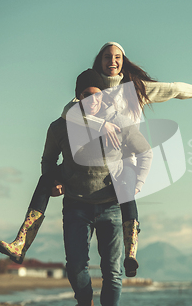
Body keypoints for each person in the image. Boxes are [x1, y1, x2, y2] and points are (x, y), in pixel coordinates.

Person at [0, 42, 192, 277]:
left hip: (121, 162)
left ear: (123, 60)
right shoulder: (90, 89)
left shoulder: (135, 89)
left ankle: (131, 254)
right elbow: (69, 113)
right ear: (100, 60)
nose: (112, 61)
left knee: (124, 191)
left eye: (117, 56)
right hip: (87, 164)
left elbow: (174, 89)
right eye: (107, 56)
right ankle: (21, 243)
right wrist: (102, 124)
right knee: (46, 181)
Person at [50, 69, 152, 306]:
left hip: (111, 206)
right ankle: (85, 303)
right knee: (75, 265)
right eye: (86, 95)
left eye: (97, 95)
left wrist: (138, 184)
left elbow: (145, 151)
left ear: (104, 96)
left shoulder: (120, 122)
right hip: (76, 205)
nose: (92, 100)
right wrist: (53, 180)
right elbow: (48, 159)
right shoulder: (61, 125)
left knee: (112, 272)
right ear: (78, 96)